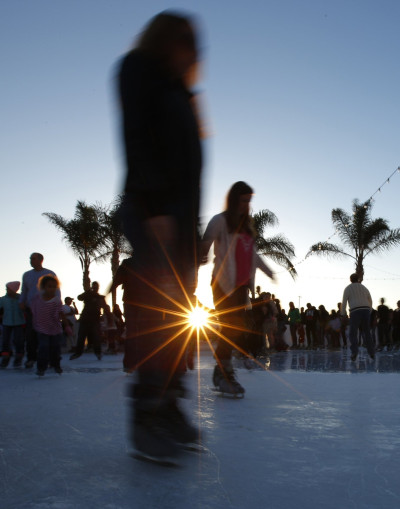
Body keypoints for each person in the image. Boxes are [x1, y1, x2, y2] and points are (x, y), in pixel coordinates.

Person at [117, 11, 204, 460]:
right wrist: (153, 206)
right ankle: (146, 413)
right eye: (186, 40)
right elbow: (136, 139)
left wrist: (193, 237)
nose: (193, 51)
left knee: (177, 321)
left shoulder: (182, 93)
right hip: (152, 211)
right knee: (158, 319)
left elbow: (194, 173)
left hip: (181, 222)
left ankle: (168, 405)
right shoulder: (138, 69)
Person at [200, 181, 275, 395]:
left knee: (235, 326)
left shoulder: (247, 229)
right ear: (234, 200)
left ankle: (222, 370)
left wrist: (269, 271)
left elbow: (253, 255)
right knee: (232, 326)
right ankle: (224, 372)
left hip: (242, 287)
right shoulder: (221, 221)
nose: (246, 205)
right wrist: (203, 251)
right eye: (243, 200)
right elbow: (207, 240)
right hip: (223, 283)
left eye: (249, 201)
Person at [19, 252, 59, 369]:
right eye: (30, 259)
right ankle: (31, 358)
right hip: (31, 309)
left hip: (47, 309)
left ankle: (52, 360)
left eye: (33, 259)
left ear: (41, 260)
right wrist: (21, 301)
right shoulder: (26, 275)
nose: (31, 261)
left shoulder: (49, 274)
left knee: (48, 334)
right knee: (30, 335)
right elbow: (24, 291)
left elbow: (56, 291)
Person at [29, 275, 70, 376]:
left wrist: (67, 326)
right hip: (42, 329)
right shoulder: (37, 299)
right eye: (49, 286)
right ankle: (41, 368)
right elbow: (33, 311)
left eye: (53, 287)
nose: (51, 289)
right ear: (43, 287)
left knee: (55, 348)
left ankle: (56, 365)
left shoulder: (56, 300)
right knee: (43, 347)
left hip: (55, 329)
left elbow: (61, 313)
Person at [340, 273, 374, 361]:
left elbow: (344, 302)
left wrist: (343, 313)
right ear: (358, 279)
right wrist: (369, 310)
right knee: (367, 332)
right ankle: (371, 352)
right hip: (366, 310)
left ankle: (354, 351)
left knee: (353, 332)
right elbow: (370, 300)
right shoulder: (364, 288)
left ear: (350, 280)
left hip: (355, 310)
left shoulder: (348, 288)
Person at [70, 282, 104, 360]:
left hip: (95, 320)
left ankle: (98, 353)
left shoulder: (99, 297)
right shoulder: (88, 294)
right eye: (94, 287)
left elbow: (103, 306)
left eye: (96, 287)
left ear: (98, 288)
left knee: (96, 337)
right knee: (81, 337)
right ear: (92, 287)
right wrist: (87, 292)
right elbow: (79, 297)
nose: (95, 288)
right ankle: (78, 353)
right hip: (85, 320)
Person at [0, 281, 25, 368]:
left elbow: (25, 307)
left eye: (8, 289)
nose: (7, 290)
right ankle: (5, 358)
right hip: (6, 322)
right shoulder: (3, 299)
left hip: (19, 322)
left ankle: (19, 358)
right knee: (5, 340)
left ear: (14, 289)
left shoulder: (21, 299)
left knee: (18, 340)